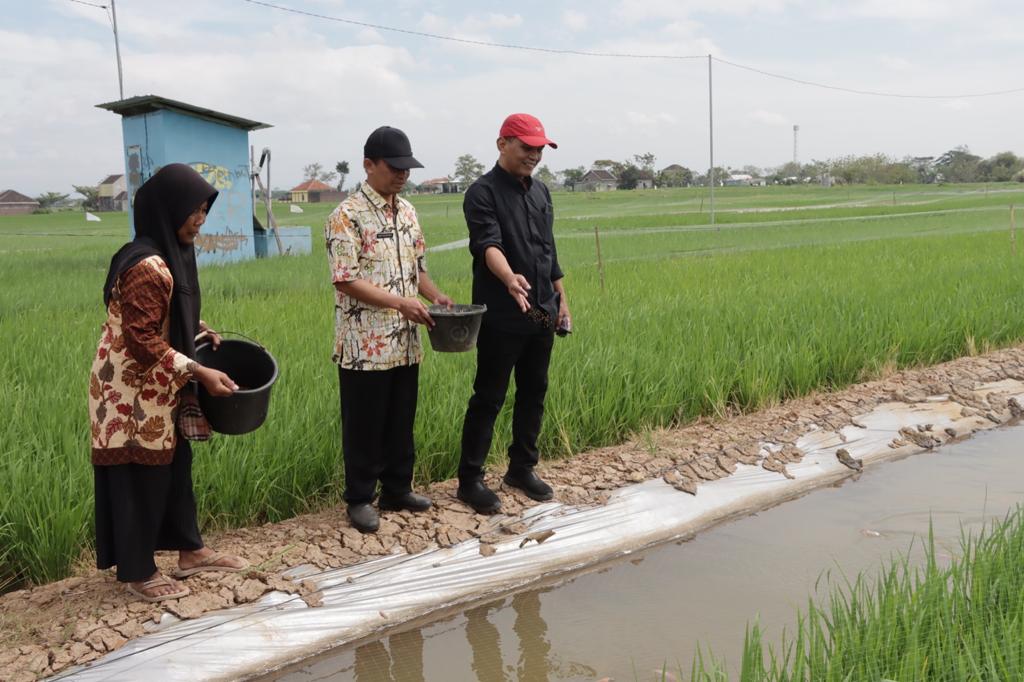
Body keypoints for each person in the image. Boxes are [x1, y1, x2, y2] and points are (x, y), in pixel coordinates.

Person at [91, 163, 247, 603]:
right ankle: (138, 571)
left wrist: (194, 326)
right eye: (193, 211)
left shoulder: (167, 255)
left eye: (204, 211)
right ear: (168, 209)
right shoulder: (147, 265)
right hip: (129, 393)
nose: (200, 219)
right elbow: (140, 339)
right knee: (140, 474)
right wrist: (199, 370)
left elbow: (159, 314)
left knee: (175, 467)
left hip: (159, 385)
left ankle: (191, 551)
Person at [326, 126, 453, 533]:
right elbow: (345, 279)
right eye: (394, 167)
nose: (402, 174)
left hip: (405, 340)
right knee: (365, 424)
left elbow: (417, 271)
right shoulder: (345, 216)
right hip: (364, 344)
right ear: (369, 165)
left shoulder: (409, 211)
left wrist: (438, 298)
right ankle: (360, 498)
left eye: (407, 168)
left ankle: (398, 488)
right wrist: (401, 303)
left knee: (401, 418)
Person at [457, 113, 571, 514]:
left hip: (541, 311)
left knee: (534, 391)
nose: (534, 155)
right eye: (526, 147)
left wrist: (561, 301)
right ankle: (470, 480)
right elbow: (487, 243)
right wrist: (508, 278)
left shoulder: (541, 193)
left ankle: (521, 468)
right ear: (502, 143)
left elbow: (548, 252)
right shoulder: (481, 192)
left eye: (539, 148)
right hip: (503, 313)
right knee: (489, 396)